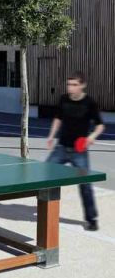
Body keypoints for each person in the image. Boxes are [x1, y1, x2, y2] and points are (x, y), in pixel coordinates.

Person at [46, 71, 105, 231]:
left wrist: (91, 137)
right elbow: (58, 119)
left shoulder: (89, 103)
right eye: (68, 84)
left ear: (82, 85)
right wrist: (51, 136)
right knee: (45, 176)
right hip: (62, 147)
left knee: (85, 185)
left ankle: (91, 219)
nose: (70, 88)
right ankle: (46, 212)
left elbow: (100, 124)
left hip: (79, 151)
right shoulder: (63, 99)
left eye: (74, 85)